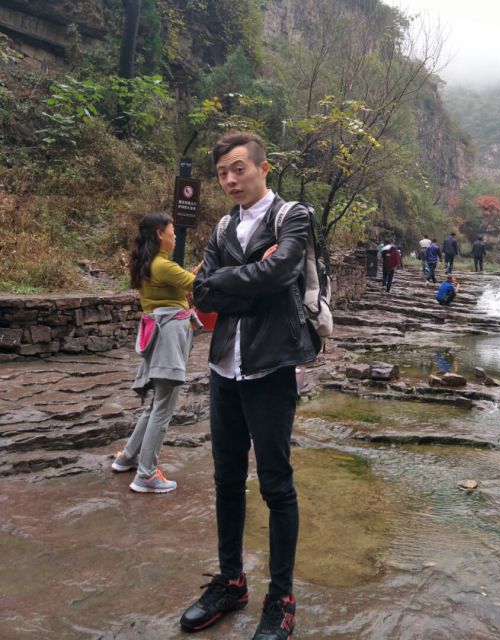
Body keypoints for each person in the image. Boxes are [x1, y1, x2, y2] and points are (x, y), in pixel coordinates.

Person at [181, 131, 317, 639]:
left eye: (239, 168)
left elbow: (280, 275)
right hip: (224, 369)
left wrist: (236, 280)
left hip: (271, 369)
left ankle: (280, 598)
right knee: (226, 479)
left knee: (276, 484)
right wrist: (251, 277)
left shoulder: (292, 216)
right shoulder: (223, 226)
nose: (230, 180)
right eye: (222, 173)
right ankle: (231, 581)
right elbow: (201, 291)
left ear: (263, 167)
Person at [111, 212, 201, 494]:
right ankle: (146, 475)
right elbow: (200, 285)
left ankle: (128, 457)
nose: (174, 237)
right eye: (172, 233)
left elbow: (183, 285)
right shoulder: (163, 265)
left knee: (156, 405)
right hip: (168, 340)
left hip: (158, 336)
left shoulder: (150, 263)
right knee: (163, 408)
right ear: (160, 234)